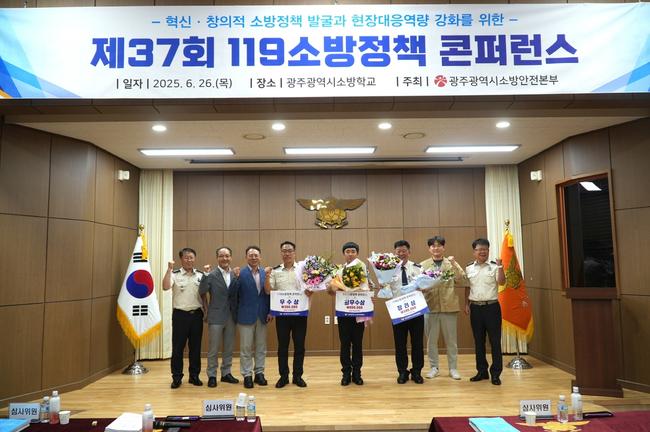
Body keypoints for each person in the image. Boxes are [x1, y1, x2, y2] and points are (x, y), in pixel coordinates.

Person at [265, 241, 312, 388]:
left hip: (300, 314)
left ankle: (298, 376)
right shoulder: (275, 271)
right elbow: (268, 291)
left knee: (299, 346)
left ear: (294, 252)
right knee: (283, 347)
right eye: (284, 251)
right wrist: (267, 277)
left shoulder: (304, 270)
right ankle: (283, 377)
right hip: (282, 315)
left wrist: (311, 290)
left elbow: (311, 288)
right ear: (281, 253)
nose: (287, 253)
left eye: (290, 250)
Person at [420, 236, 468, 381]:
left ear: (443, 248)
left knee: (451, 341)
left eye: (439, 245)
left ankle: (453, 368)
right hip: (430, 307)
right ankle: (434, 368)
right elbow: (418, 285)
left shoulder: (451, 263)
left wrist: (454, 263)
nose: (436, 248)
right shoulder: (423, 265)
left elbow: (462, 280)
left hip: (449, 307)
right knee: (431, 341)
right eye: (433, 246)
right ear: (429, 249)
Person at [329, 241, 371, 386]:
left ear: (357, 253)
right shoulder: (339, 271)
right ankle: (346, 373)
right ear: (344, 254)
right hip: (343, 312)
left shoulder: (362, 268)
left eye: (353, 251)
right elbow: (331, 292)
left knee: (358, 344)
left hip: (358, 311)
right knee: (345, 344)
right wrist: (332, 287)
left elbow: (366, 287)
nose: (350, 254)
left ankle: (357, 373)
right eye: (347, 251)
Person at [464, 238, 506, 385]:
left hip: (492, 308)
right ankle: (482, 371)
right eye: (479, 249)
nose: (482, 252)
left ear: (488, 251)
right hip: (475, 308)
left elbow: (502, 282)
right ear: (474, 251)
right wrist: (466, 304)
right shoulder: (469, 268)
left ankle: (496, 374)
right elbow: (467, 287)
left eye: (485, 249)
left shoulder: (495, 266)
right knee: (478, 341)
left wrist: (500, 267)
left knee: (495, 341)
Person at [162, 247, 205, 389]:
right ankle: (177, 377)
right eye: (186, 257)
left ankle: (194, 376)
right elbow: (165, 287)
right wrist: (169, 270)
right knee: (178, 348)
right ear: (181, 259)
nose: (189, 260)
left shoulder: (200, 275)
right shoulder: (174, 274)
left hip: (196, 315)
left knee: (195, 348)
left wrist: (206, 310)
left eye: (191, 257)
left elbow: (204, 295)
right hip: (180, 315)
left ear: (195, 259)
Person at [199, 246, 240, 388]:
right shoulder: (211, 274)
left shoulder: (235, 274)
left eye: (227, 256)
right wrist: (205, 275)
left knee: (229, 347)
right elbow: (202, 291)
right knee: (213, 348)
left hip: (231, 316)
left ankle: (226, 373)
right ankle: (212, 375)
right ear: (217, 258)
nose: (224, 258)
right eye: (221, 256)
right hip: (216, 315)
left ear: (231, 257)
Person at [386, 240, 424, 384]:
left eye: (404, 251)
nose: (401, 253)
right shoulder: (388, 270)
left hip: (416, 310)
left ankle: (417, 372)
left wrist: (422, 287)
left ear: (409, 252)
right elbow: (386, 289)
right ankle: (402, 372)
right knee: (400, 344)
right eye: (398, 251)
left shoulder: (417, 268)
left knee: (417, 343)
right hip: (398, 311)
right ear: (394, 253)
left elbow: (425, 286)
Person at [233, 246, 271, 389]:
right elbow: (233, 294)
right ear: (246, 257)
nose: (254, 257)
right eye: (251, 255)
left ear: (260, 257)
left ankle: (259, 373)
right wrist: (235, 278)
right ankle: (247, 375)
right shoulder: (240, 273)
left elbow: (269, 294)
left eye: (256, 255)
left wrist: (270, 311)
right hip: (245, 316)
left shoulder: (265, 273)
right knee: (246, 348)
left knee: (261, 347)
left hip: (262, 315)